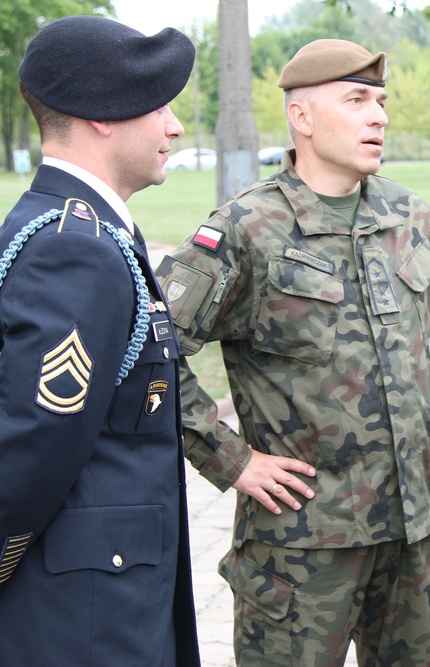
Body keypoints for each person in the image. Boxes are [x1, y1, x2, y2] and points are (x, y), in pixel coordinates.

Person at [155, 39, 430, 666]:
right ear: (302, 118)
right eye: (358, 100)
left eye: (383, 102)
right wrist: (233, 459)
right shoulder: (245, 229)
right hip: (302, 546)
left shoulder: (410, 217)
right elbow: (152, 353)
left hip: (412, 532)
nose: (380, 117)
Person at [0, 15, 200, 665]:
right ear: (103, 113)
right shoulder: (74, 249)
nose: (173, 126)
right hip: (84, 626)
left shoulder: (83, 232)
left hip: (103, 606)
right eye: (158, 105)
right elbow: (30, 454)